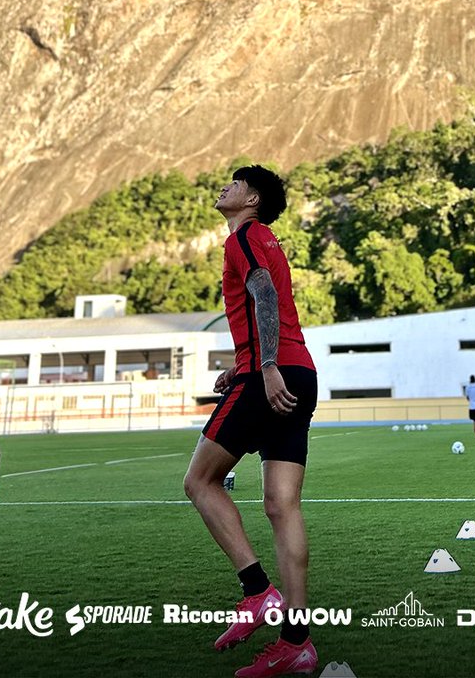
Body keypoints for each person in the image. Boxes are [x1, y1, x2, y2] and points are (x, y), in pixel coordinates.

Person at [184, 165, 318, 678]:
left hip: (272, 374)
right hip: (300, 373)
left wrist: (263, 366)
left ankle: (257, 591)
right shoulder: (267, 240)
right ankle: (297, 642)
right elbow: (270, 307)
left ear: (253, 198)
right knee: (283, 506)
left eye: (236, 182)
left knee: (200, 481)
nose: (226, 186)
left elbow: (263, 294)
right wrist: (242, 364)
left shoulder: (243, 237)